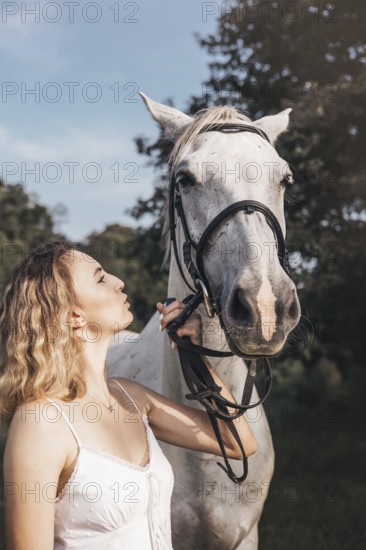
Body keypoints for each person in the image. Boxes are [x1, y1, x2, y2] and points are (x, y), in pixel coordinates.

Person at [0, 241, 257, 550]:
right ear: (73, 315)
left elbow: (237, 442)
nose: (118, 281)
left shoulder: (131, 396)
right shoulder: (41, 424)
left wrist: (193, 354)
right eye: (99, 278)